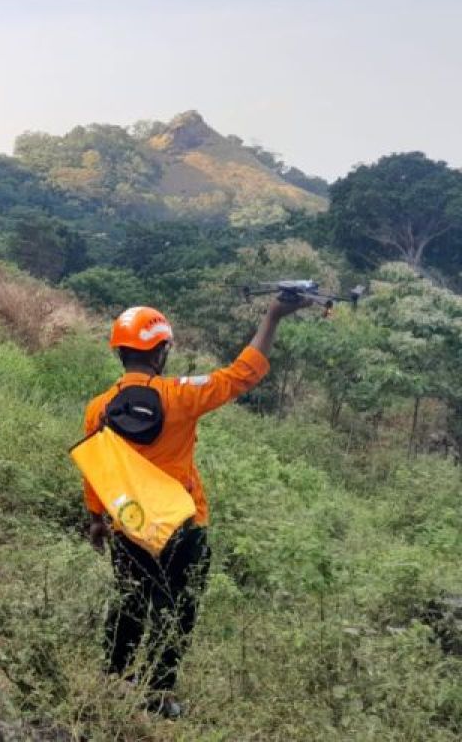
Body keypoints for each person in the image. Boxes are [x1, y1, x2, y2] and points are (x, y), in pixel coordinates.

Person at [83, 299, 305, 718]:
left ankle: (112, 678)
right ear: (161, 351)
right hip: (183, 526)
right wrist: (272, 316)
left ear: (119, 351)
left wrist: (96, 520)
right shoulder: (180, 396)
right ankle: (159, 694)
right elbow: (243, 374)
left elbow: (97, 471)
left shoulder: (98, 408)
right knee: (177, 608)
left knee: (130, 600)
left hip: (129, 525)